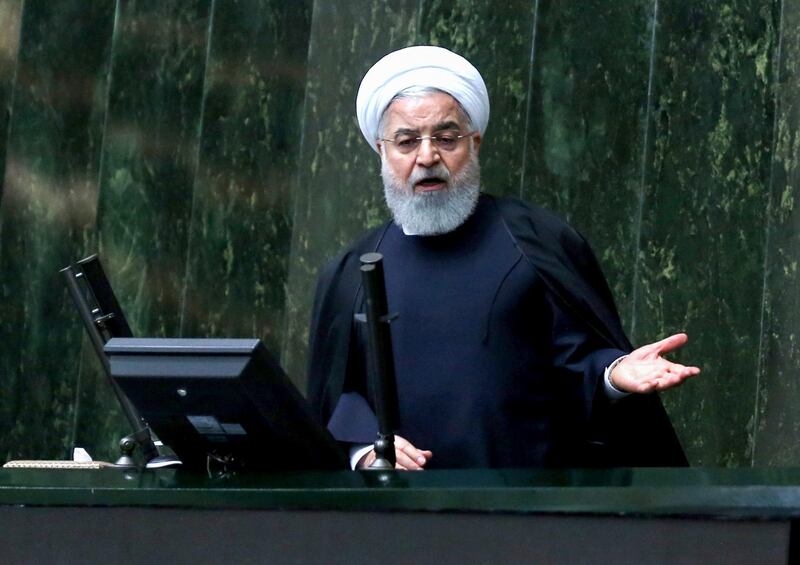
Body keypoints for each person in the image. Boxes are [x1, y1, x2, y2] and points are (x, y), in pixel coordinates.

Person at [307, 46, 700, 470]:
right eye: (406, 141)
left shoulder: (536, 243)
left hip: (520, 514)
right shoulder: (351, 271)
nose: (427, 157)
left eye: (445, 137)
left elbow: (579, 362)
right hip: (402, 520)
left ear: (474, 143)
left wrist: (614, 374)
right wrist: (366, 450)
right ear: (382, 152)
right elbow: (337, 398)